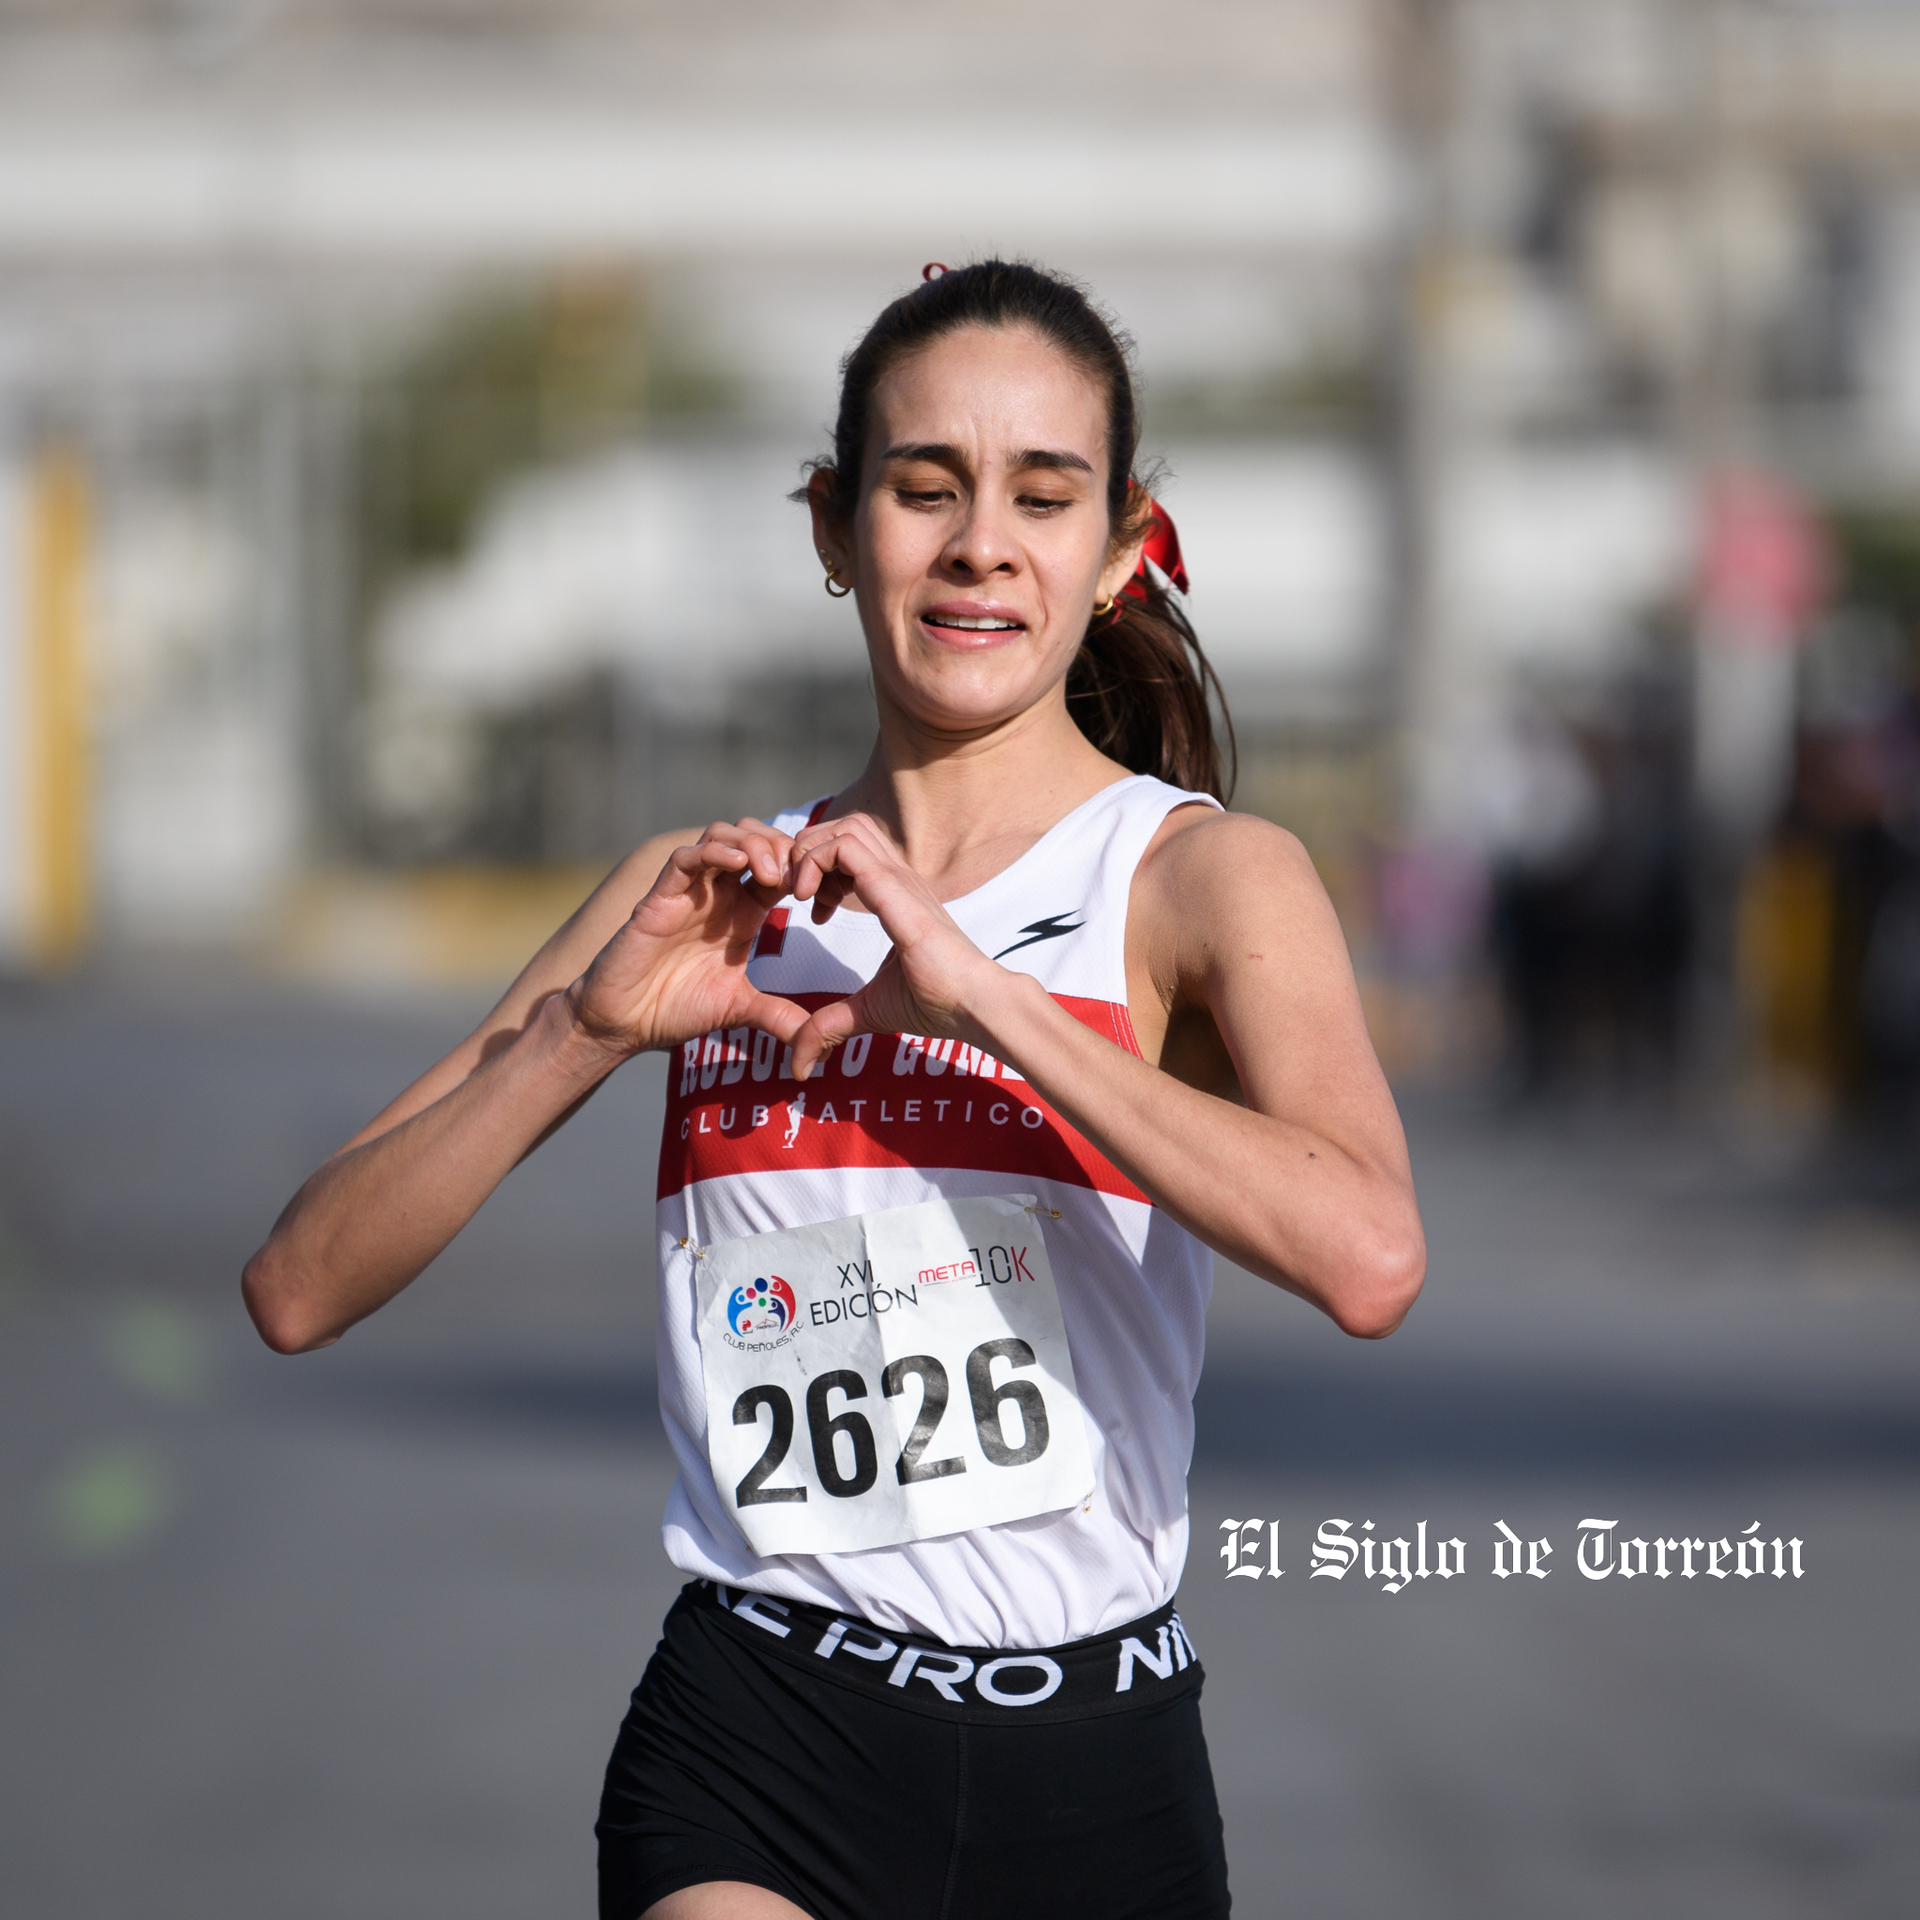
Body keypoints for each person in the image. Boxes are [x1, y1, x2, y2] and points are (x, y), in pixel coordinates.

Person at [243, 259, 1426, 1920]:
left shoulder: (1199, 879)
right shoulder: (702, 893)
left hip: (1096, 1768)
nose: (980, 545)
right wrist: (586, 1034)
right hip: (761, 1738)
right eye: (923, 488)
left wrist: (985, 1002)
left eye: (1042, 496)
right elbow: (298, 1286)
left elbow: (1369, 1259)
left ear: (1118, 549)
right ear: (832, 526)